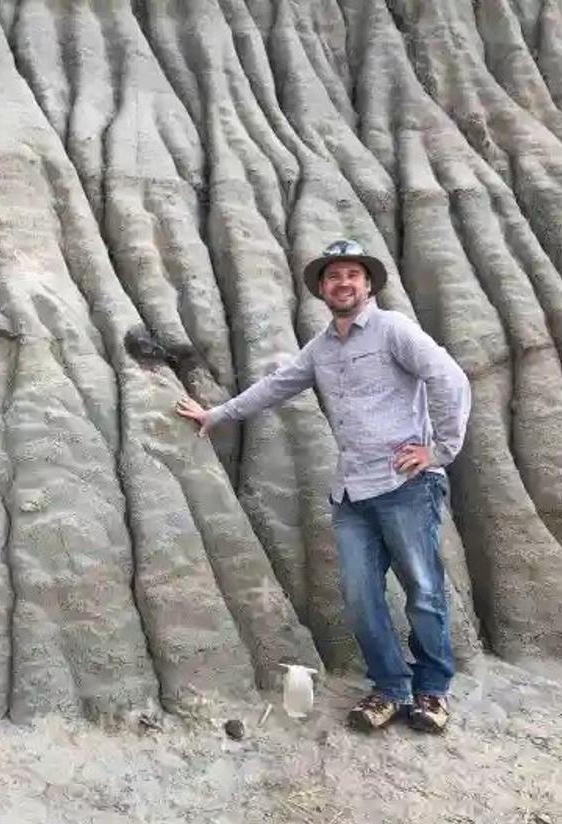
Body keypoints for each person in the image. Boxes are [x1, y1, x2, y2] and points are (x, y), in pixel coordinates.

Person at [175, 239, 471, 734]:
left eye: (352, 274)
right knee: (361, 598)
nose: (343, 283)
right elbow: (276, 385)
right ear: (322, 289)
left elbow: (450, 378)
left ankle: (432, 690)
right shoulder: (322, 348)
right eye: (333, 276)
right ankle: (390, 689)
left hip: (405, 485)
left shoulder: (393, 329)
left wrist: (439, 450)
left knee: (423, 590)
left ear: (368, 284)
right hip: (352, 493)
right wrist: (217, 414)